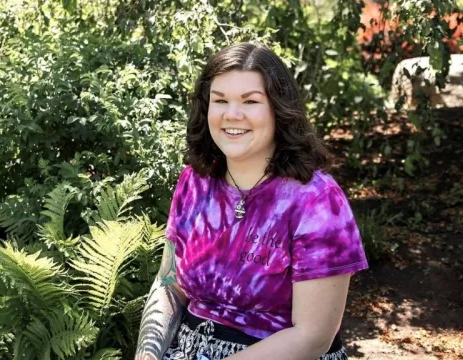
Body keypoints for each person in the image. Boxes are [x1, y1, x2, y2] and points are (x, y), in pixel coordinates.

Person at [135, 42, 369, 360]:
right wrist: (147, 354)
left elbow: (313, 337)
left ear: (279, 109)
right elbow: (170, 284)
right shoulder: (195, 181)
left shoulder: (317, 201)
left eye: (250, 101)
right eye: (220, 101)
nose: (233, 114)